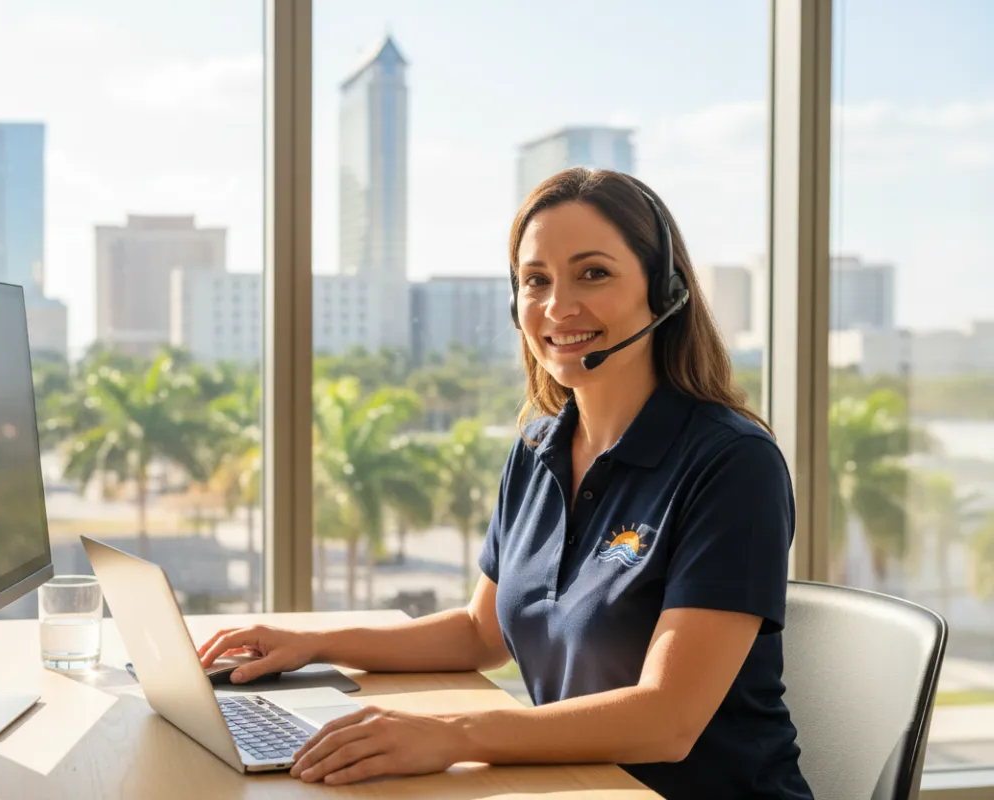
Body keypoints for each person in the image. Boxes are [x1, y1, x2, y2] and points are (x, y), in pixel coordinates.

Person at [198, 168, 814, 799]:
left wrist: (455, 734)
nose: (557, 307)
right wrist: (312, 644)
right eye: (535, 281)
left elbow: (668, 722)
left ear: (664, 291)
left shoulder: (733, 464)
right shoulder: (539, 448)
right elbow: (481, 632)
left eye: (593, 273)